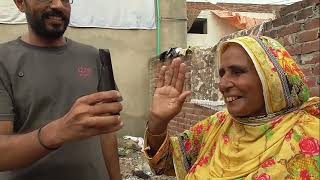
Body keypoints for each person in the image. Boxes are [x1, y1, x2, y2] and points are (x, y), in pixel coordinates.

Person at [144, 36, 320, 179]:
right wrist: (158, 122)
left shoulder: (310, 136)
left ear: (270, 78)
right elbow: (166, 164)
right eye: (222, 74)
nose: (223, 84)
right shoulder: (218, 124)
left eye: (237, 72)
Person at [0, 0, 123, 179]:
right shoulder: (4, 60)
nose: (58, 5)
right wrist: (58, 131)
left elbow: (107, 133)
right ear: (20, 3)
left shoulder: (94, 57)